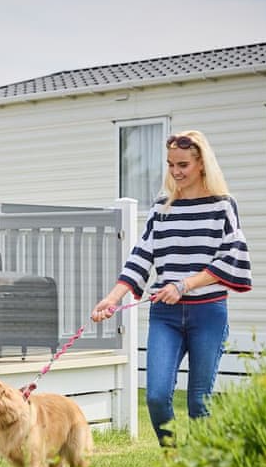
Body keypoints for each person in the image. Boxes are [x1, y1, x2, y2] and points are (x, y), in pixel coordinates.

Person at [91, 130, 251, 445]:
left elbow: (233, 256)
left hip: (208, 313)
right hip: (165, 315)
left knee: (198, 401)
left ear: (201, 164)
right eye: (170, 165)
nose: (176, 172)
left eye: (183, 165)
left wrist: (184, 284)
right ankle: (174, 460)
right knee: (156, 395)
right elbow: (142, 254)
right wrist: (111, 299)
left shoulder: (222, 206)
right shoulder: (162, 207)